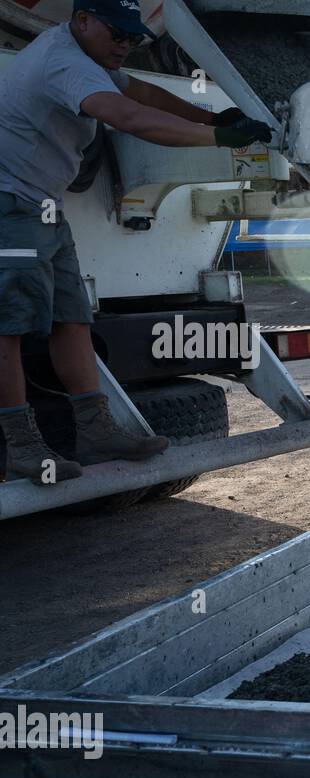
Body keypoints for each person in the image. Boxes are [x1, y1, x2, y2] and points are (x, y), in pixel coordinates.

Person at [0, 0, 273, 486]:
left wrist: (209, 119)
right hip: (10, 205)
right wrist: (218, 139)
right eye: (116, 33)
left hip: (42, 206)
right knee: (9, 326)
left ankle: (96, 431)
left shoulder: (92, 58)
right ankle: (20, 445)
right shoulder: (65, 63)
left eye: (132, 35)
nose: (126, 44)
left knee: (72, 318)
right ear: (82, 19)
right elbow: (131, 118)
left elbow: (143, 92)